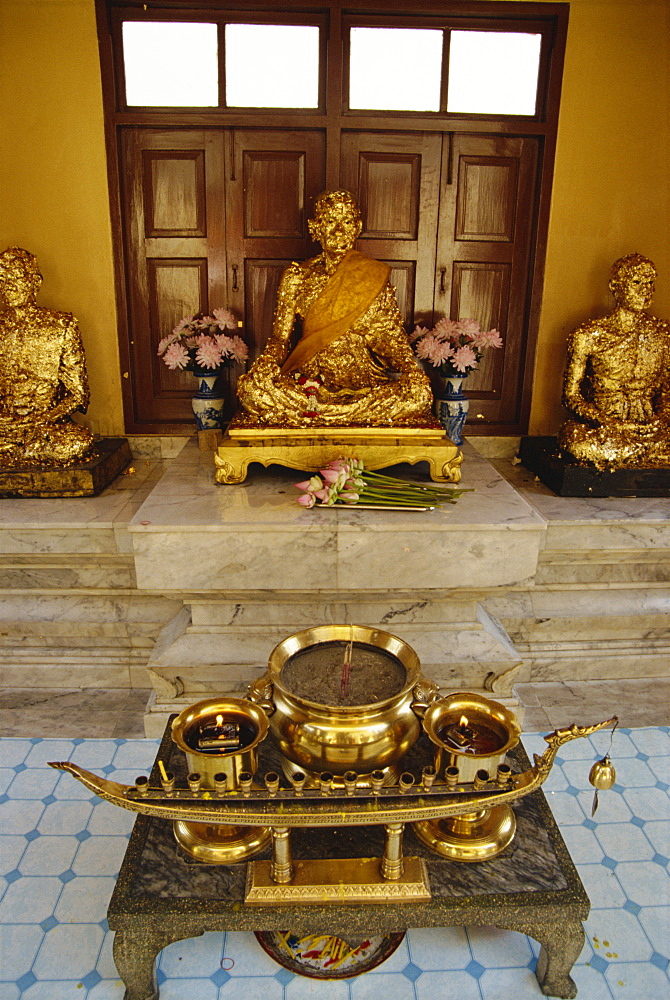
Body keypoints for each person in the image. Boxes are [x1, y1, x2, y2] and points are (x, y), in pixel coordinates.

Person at [235, 190, 435, 427]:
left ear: (357, 227)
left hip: (365, 385)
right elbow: (280, 339)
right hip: (309, 383)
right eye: (330, 221)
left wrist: (411, 370)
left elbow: (390, 338)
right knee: (251, 389)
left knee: (419, 395)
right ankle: (340, 415)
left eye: (347, 221)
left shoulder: (371, 277)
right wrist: (267, 362)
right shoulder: (298, 277)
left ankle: (320, 416)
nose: (339, 230)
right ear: (315, 227)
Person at [558, 252, 670, 469]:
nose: (644, 291)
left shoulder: (663, 335)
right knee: (574, 439)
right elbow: (571, 397)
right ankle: (646, 453)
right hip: (605, 428)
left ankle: (638, 452)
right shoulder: (588, 336)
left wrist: (662, 420)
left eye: (649, 283)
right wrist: (614, 425)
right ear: (615, 286)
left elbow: (666, 392)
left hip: (651, 428)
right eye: (636, 282)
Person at [0, 247, 93, 466]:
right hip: (4, 426)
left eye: (16, 277)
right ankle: (19, 450)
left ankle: (16, 452)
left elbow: (78, 395)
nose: (8, 286)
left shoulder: (60, 326)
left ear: (35, 282)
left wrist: (38, 420)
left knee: (76, 441)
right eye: (2, 279)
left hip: (46, 426)